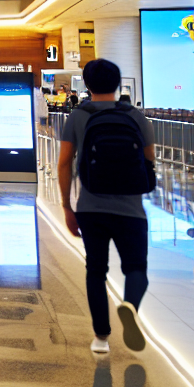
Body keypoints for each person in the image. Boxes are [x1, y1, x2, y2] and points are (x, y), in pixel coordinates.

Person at [58, 58, 153, 355]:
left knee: (96, 270)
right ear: (118, 83)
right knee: (136, 267)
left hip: (90, 207)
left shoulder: (77, 116)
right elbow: (149, 160)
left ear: (86, 84)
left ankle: (101, 337)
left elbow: (64, 164)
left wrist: (66, 205)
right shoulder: (136, 116)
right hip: (131, 208)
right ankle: (130, 306)